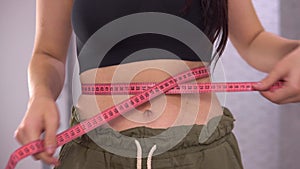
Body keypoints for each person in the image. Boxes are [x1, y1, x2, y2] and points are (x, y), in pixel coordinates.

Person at [14, 0, 300, 168]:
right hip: (93, 154)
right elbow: (48, 54)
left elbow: (253, 40)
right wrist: (40, 95)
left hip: (203, 153)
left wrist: (295, 54)